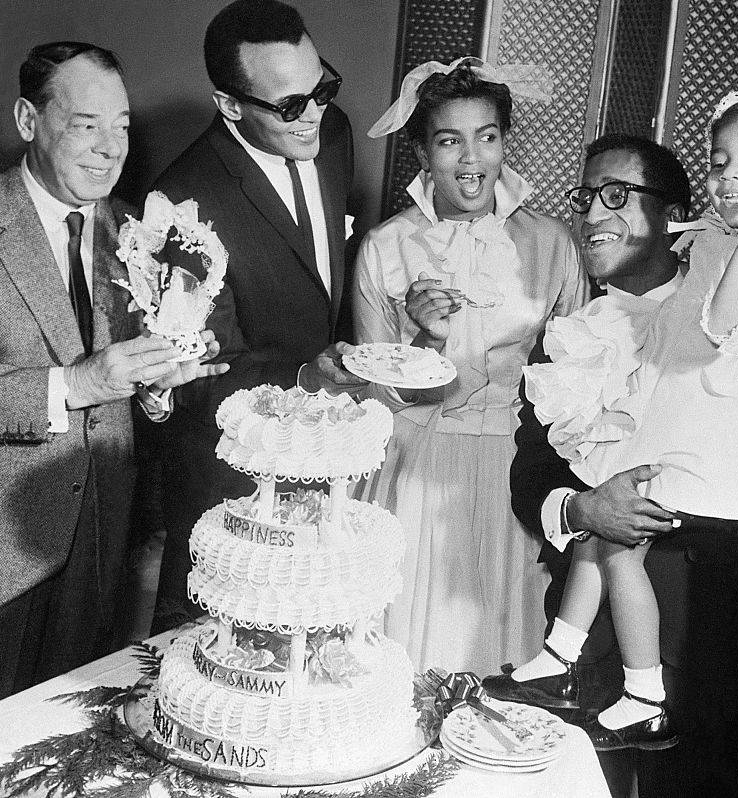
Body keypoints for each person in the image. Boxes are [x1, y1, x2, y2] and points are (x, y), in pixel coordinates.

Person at [488, 94, 738, 797]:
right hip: (583, 638)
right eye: (586, 197)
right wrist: (582, 509)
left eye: (617, 195)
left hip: (694, 651)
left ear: (672, 212)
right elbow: (531, 470)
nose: (593, 215)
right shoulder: (571, 336)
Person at [0, 41, 226, 698]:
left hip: (102, 549)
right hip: (8, 553)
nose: (109, 148)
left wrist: (158, 384)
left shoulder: (140, 232)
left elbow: (131, 393)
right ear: (28, 120)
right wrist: (76, 384)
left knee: (69, 724)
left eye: (121, 127)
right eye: (86, 124)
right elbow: (88, 381)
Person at [353, 57, 587, 674]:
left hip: (516, 471)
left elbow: (579, 380)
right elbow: (375, 397)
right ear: (423, 155)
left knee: (502, 652)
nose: (471, 159)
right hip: (418, 469)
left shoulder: (554, 244)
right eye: (449, 141)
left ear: (505, 142)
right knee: (407, 653)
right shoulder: (384, 247)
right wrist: (423, 339)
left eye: (487, 136)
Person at [151, 0, 363, 632]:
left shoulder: (333, 134)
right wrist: (309, 377)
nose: (314, 114)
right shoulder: (182, 201)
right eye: (290, 105)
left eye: (322, 89)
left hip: (319, 466)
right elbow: (201, 376)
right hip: (230, 483)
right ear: (230, 105)